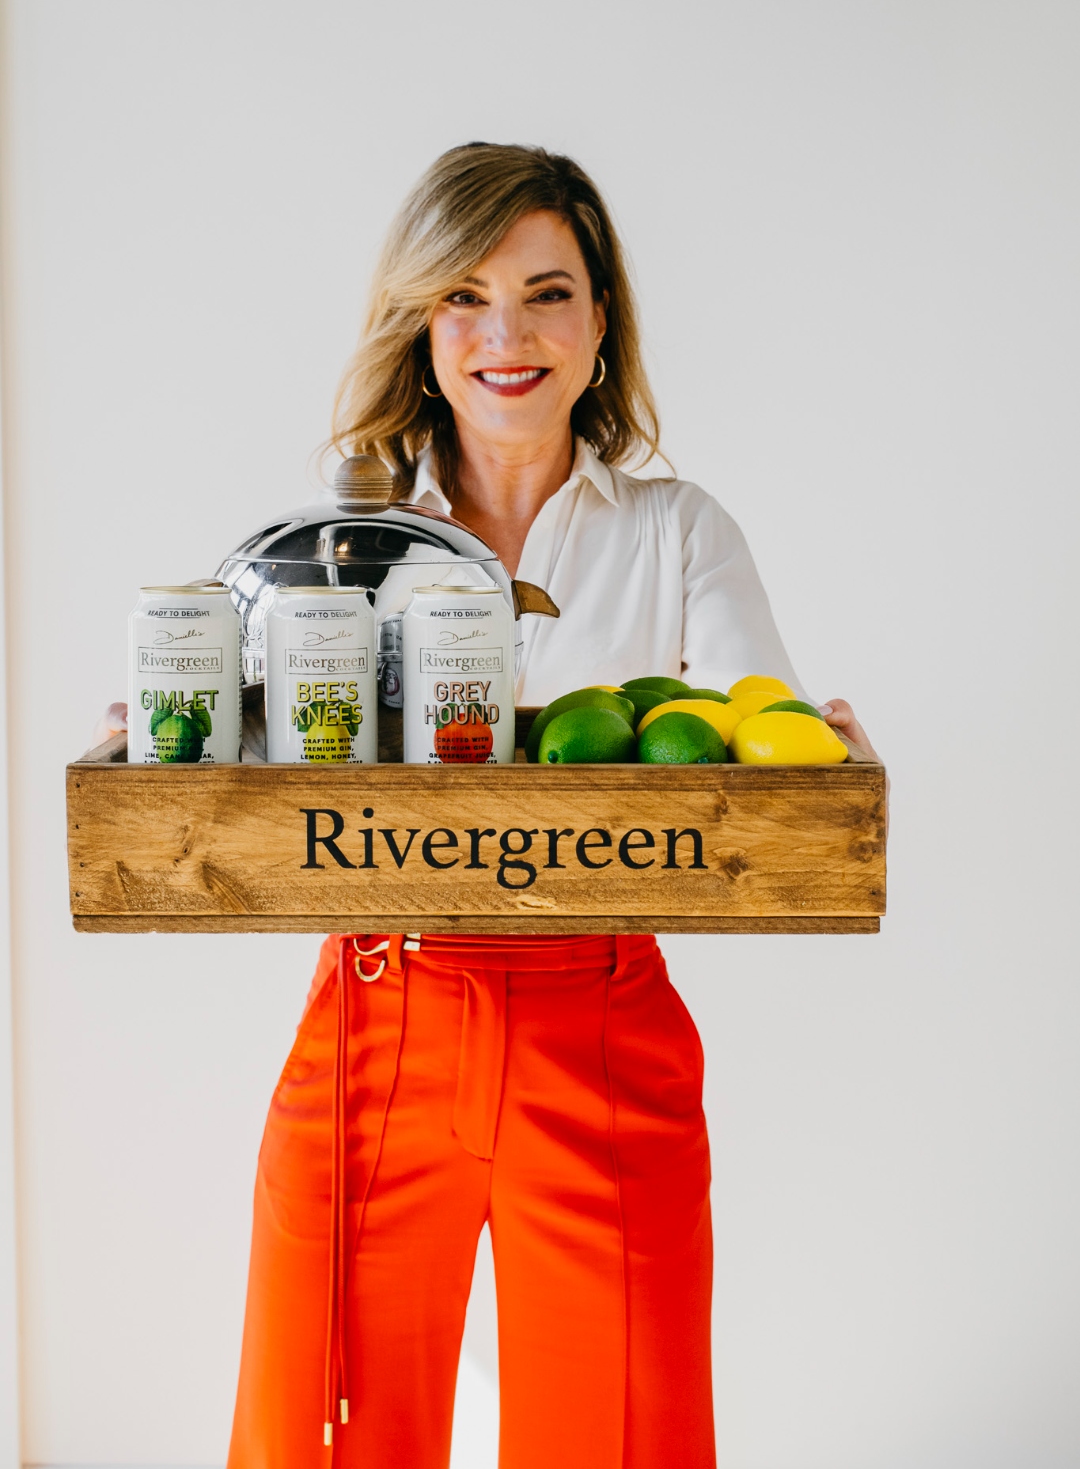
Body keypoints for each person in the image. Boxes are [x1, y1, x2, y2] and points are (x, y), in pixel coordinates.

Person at [95, 143, 872, 1468]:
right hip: (372, 1023)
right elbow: (265, 736)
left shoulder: (677, 533)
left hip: (605, 1028)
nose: (506, 334)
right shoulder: (342, 546)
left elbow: (760, 735)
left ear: (601, 320)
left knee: (621, 1436)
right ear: (421, 327)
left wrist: (812, 756)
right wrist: (174, 744)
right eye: (464, 295)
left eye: (547, 292)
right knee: (315, 1433)